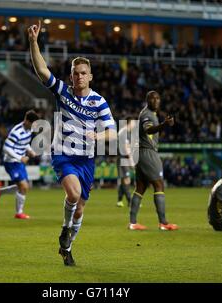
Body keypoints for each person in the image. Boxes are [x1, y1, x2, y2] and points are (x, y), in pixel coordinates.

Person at [28, 20, 117, 266]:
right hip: (64, 154)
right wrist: (34, 43)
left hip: (87, 160)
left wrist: (99, 137)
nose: (79, 77)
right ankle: (65, 228)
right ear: (71, 76)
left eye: (83, 73)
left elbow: (113, 132)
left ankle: (67, 247)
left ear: (90, 76)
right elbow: (42, 71)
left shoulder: (99, 101)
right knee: (73, 193)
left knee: (80, 209)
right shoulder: (63, 92)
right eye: (75, 73)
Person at [128, 91, 178, 231]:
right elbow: (148, 130)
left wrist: (164, 124)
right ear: (147, 100)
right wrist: (164, 125)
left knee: (140, 188)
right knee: (159, 185)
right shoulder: (147, 115)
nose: (155, 100)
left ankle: (133, 222)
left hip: (141, 153)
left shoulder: (151, 114)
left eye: (157, 98)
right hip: (148, 153)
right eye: (152, 98)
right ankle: (163, 222)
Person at [0, 110, 39, 220]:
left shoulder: (29, 129)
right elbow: (6, 148)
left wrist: (30, 150)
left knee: (23, 187)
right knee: (23, 186)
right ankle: (19, 213)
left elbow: (24, 142)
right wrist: (20, 157)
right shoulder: (16, 132)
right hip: (11, 162)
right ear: (27, 121)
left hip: (19, 162)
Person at [116, 117, 136, 207]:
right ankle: (130, 201)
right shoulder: (124, 132)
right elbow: (125, 147)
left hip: (124, 158)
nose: (135, 125)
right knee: (126, 179)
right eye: (134, 123)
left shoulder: (126, 132)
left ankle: (119, 200)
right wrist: (131, 160)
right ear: (130, 122)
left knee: (125, 180)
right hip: (123, 158)